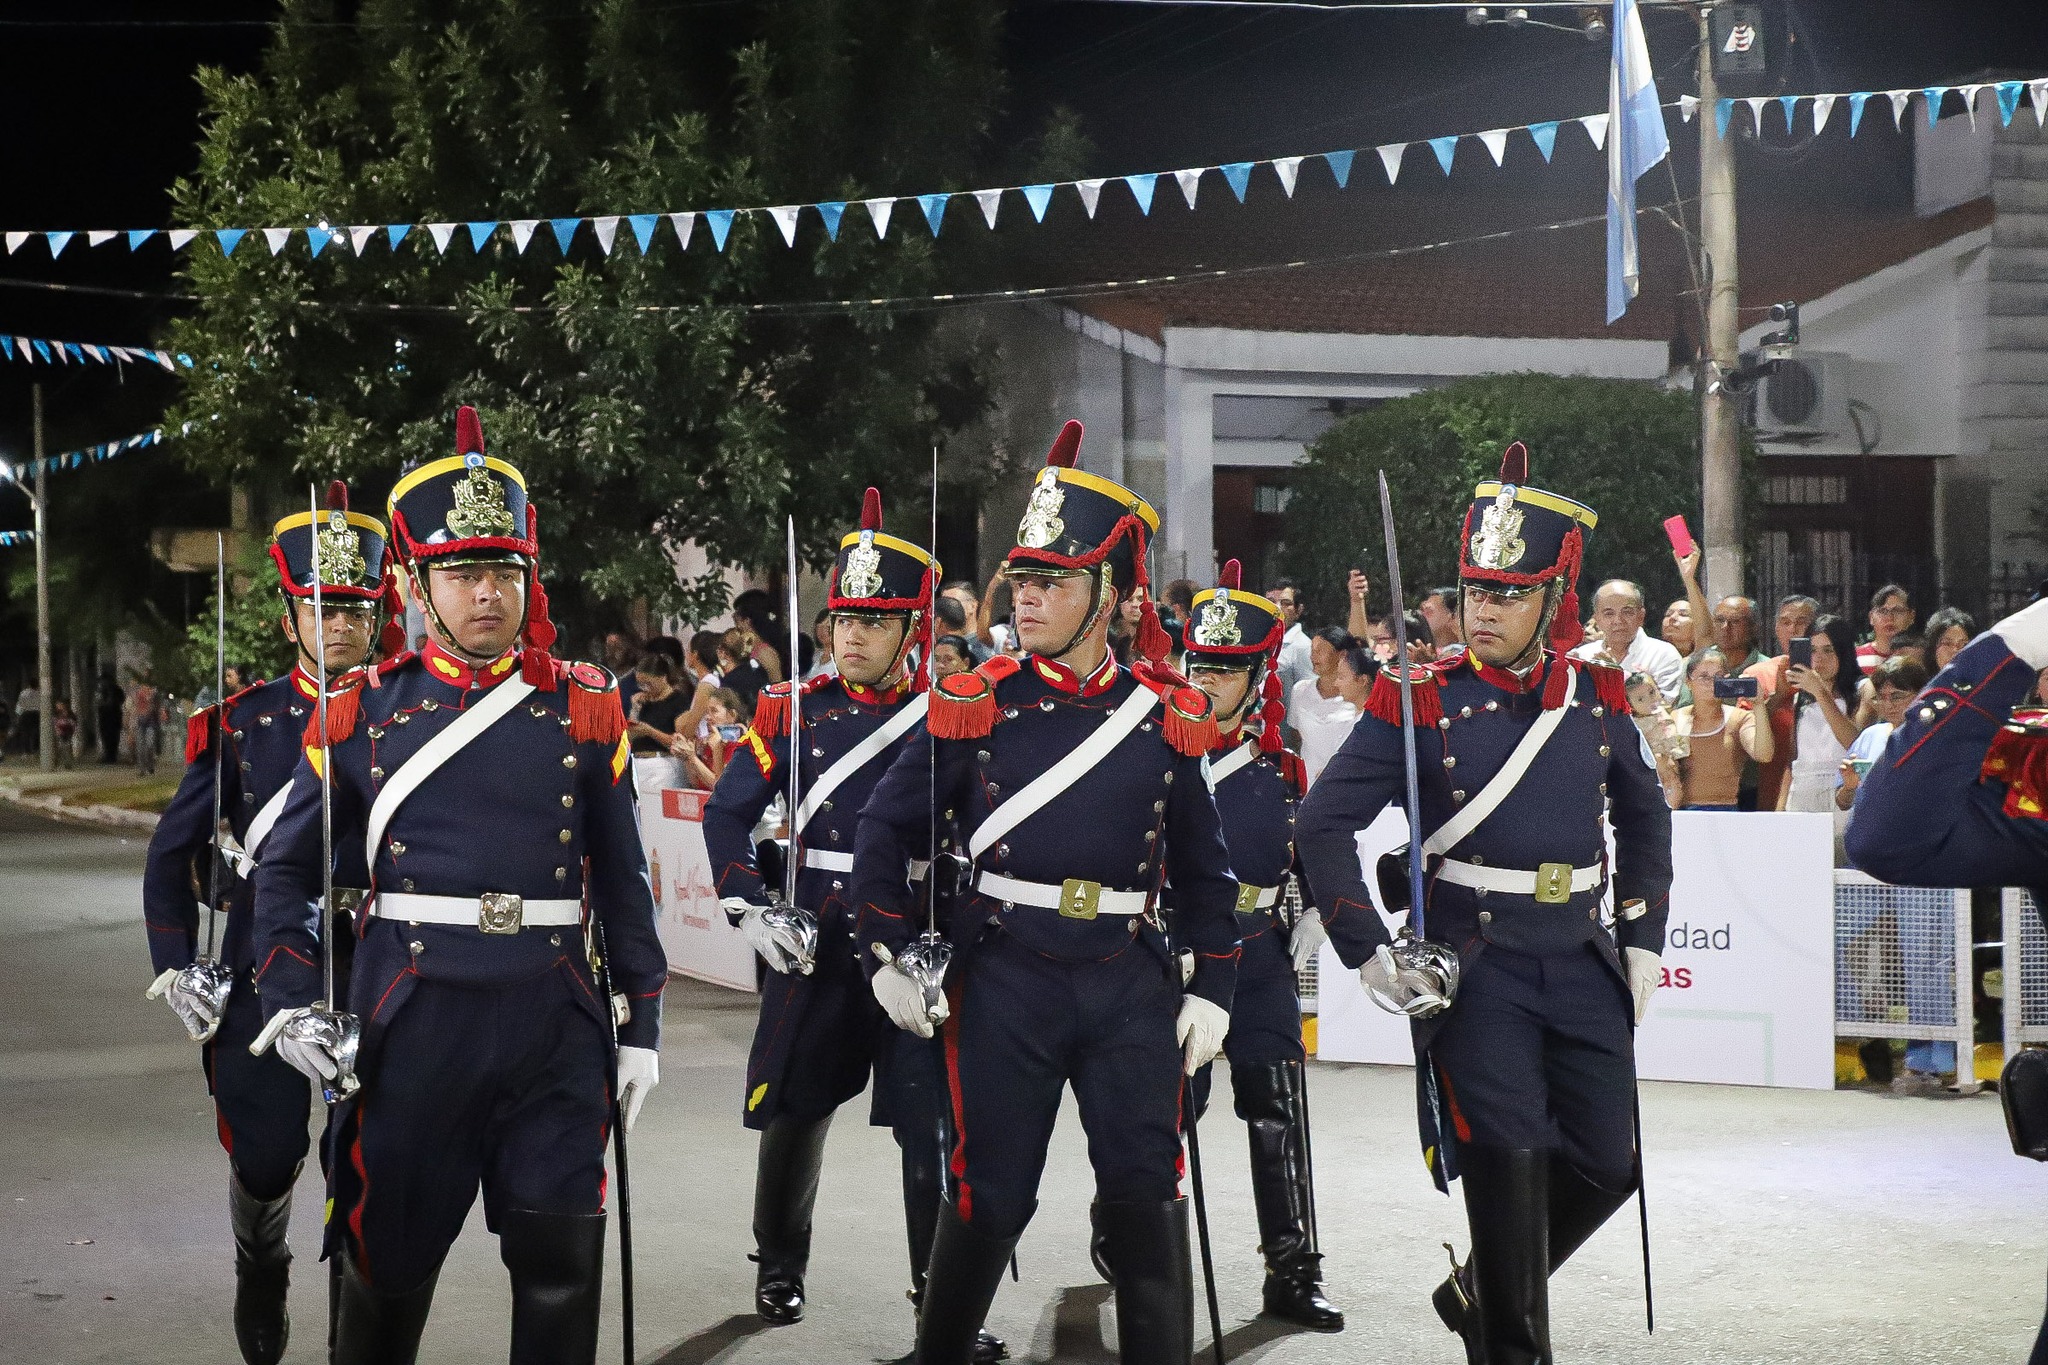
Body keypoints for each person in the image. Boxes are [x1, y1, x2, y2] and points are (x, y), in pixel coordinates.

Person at [250, 407, 665, 1364]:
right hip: (412, 1022)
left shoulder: (582, 703)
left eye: (505, 570)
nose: (488, 592)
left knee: (562, 1267)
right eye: (462, 571)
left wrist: (641, 1023)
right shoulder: (361, 711)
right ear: (413, 584)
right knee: (385, 1273)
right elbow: (287, 871)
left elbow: (623, 877)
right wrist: (290, 998)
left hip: (555, 1022)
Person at [852, 419, 1239, 1365]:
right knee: (989, 1191)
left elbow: (1206, 871)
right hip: (1006, 977)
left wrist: (1216, 987)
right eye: (1022, 578)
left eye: (1052, 579)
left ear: (1108, 592)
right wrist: (886, 954)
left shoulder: (1163, 715)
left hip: (1128, 980)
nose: (1025, 595)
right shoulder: (975, 702)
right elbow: (883, 829)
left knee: (1146, 1195)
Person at [1296, 440, 1671, 1365]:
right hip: (1480, 965)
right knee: (1509, 1172)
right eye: (1474, 591)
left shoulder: (1595, 695)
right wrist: (1370, 950)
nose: (1485, 609)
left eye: (1509, 592)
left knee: (1608, 1165)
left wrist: (1643, 937)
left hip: (1581, 953)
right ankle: (1509, 1341)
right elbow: (1321, 824)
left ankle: (1478, 1289)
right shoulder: (1421, 700)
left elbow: (1645, 816)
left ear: (1554, 598)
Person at [702, 490, 991, 1353]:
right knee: (796, 1107)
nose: (852, 636)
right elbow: (727, 813)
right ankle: (779, 1261)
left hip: (913, 938)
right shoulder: (790, 708)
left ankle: (939, 1298)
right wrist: (751, 906)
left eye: (874, 620)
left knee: (930, 1124)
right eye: (843, 619)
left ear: (913, 629)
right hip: (819, 936)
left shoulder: (950, 711)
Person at [143, 486, 391, 1365]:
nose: (341, 624)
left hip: (380, 959)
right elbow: (171, 852)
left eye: (357, 609)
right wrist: (177, 961)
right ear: (290, 619)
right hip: (262, 962)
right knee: (267, 1148)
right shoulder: (245, 722)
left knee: (369, 1157)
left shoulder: (409, 713)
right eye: (322, 609)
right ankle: (262, 1261)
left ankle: (356, 1318)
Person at [1177, 560, 1344, 1331]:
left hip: (1261, 948)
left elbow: (1310, 843)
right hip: (1180, 952)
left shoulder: (1284, 765)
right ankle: (1133, 1234)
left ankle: (1294, 1268)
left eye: (1226, 668)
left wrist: (1314, 910)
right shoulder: (1162, 751)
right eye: (1200, 664)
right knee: (1165, 1110)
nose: (1208, 680)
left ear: (1257, 680)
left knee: (1278, 1106)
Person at [1779, 614, 1863, 862]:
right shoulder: (1800, 698)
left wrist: (1820, 692)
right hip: (1802, 791)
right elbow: (1793, 759)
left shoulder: (1862, 691)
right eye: (1813, 650)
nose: (1819, 659)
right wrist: (1780, 809)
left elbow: (1854, 742)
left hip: (1841, 790)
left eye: (1828, 650)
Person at [1670, 648, 1774, 810]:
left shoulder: (1740, 718)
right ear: (1688, 682)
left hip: (1725, 809)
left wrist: (1759, 705)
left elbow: (1763, 755)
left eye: (1718, 677)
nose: (1712, 683)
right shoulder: (1675, 719)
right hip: (1682, 811)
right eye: (1704, 677)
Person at [1570, 579, 1684, 703]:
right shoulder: (1582, 656)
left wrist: (1615, 676)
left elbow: (1664, 708)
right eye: (1609, 614)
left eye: (1627, 612)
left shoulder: (1664, 655)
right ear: (1597, 618)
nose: (1618, 620)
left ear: (1641, 616)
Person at [1291, 626, 1363, 789]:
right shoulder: (1300, 690)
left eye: (1320, 651)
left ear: (1342, 654)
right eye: (1312, 650)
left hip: (1345, 787)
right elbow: (1296, 736)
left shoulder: (1355, 698)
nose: (1313, 656)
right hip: (1307, 788)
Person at [627, 652, 690, 790]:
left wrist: (650, 731)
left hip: (663, 764)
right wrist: (635, 710)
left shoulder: (679, 701)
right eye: (641, 684)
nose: (645, 688)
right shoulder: (644, 701)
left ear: (663, 677)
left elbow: (680, 742)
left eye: (649, 683)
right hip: (637, 762)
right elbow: (629, 737)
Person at [676, 686, 746, 790]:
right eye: (707, 712)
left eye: (714, 711)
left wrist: (693, 758)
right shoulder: (710, 741)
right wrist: (687, 756)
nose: (708, 717)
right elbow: (696, 783)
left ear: (732, 715)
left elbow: (720, 786)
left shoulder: (738, 744)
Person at [1266, 578, 1311, 736]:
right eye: (1271, 602)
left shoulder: (1303, 646)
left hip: (1285, 737)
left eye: (1285, 603)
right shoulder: (1256, 643)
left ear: (1298, 610)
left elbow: (1309, 699)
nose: (1277, 608)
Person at [1857, 584, 1914, 674]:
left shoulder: (1920, 658)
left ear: (1911, 616)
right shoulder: (1856, 658)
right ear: (1871, 617)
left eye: (1897, 610)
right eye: (1882, 611)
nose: (1889, 617)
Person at [943, 580, 995, 664]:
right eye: (944, 604)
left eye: (954, 603)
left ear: (973, 606)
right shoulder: (941, 644)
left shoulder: (991, 640)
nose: (947, 609)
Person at [131, 672, 165, 775]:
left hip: (151, 723)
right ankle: (142, 769)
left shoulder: (155, 694)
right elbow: (136, 707)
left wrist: (159, 713)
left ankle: (150, 765)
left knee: (149, 744)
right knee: (140, 746)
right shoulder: (139, 693)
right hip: (141, 722)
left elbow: (158, 707)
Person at [96, 668, 124, 763]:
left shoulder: (111, 690)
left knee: (110, 737)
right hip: (110, 716)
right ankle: (110, 756)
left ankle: (110, 756)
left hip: (110, 716)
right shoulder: (106, 690)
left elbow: (120, 700)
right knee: (110, 737)